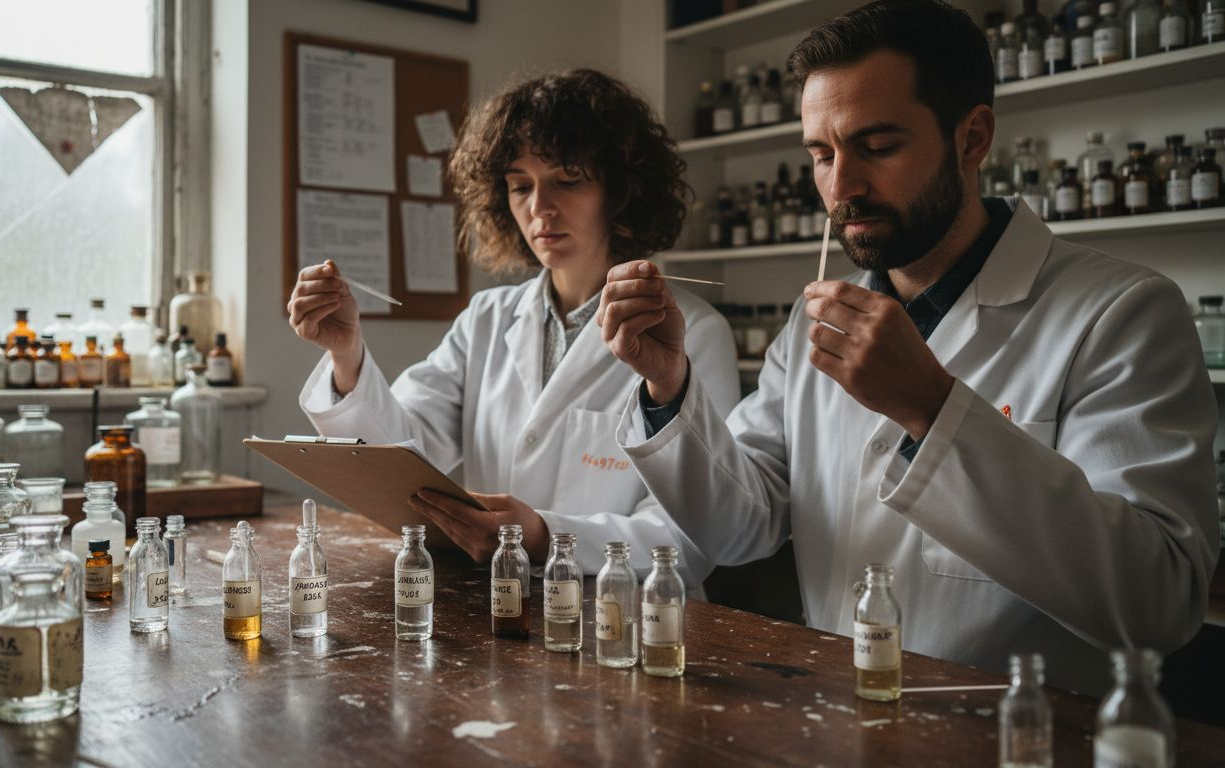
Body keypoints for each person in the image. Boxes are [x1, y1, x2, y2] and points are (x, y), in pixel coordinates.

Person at [597, 0, 1218, 694]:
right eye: (822, 155)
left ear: (972, 137)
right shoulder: (812, 326)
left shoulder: (1121, 313)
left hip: (1019, 736)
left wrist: (934, 409)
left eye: (878, 146)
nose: (842, 188)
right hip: (835, 721)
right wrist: (666, 388)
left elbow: (1161, 599)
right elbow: (739, 529)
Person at [288, 69, 740, 584]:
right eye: (519, 185)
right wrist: (347, 355)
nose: (539, 208)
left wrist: (547, 535)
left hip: (628, 616)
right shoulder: (487, 318)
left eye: (567, 180)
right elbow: (403, 456)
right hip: (500, 608)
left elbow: (696, 535)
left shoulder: (696, 333)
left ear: (621, 189)